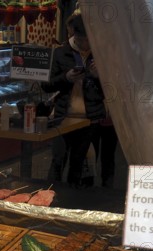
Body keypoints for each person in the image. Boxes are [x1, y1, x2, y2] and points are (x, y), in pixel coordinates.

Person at [42, 12, 108, 187]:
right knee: (58, 160)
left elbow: (110, 91)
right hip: (62, 117)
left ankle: (73, 201)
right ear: (74, 35)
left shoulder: (100, 53)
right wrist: (66, 78)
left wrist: (97, 76)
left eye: (88, 40)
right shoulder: (61, 53)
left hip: (89, 119)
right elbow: (47, 85)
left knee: (79, 164)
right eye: (82, 41)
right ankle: (51, 197)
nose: (85, 45)